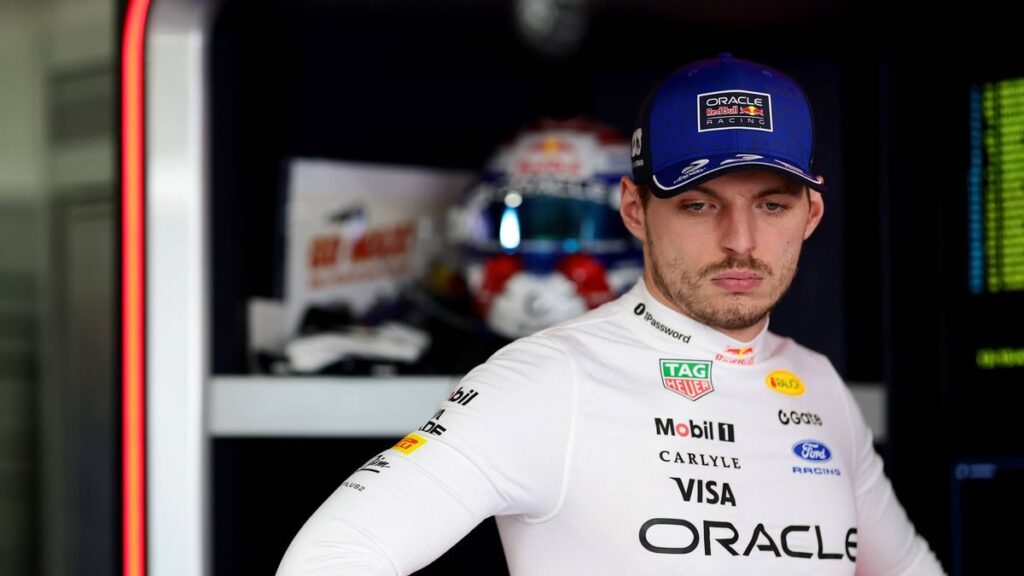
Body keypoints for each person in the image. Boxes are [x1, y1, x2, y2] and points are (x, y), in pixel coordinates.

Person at [276, 53, 946, 575]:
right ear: (634, 210)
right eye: (699, 204)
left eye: (771, 205)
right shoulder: (550, 377)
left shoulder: (820, 385)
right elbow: (332, 558)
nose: (741, 239)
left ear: (812, 214)